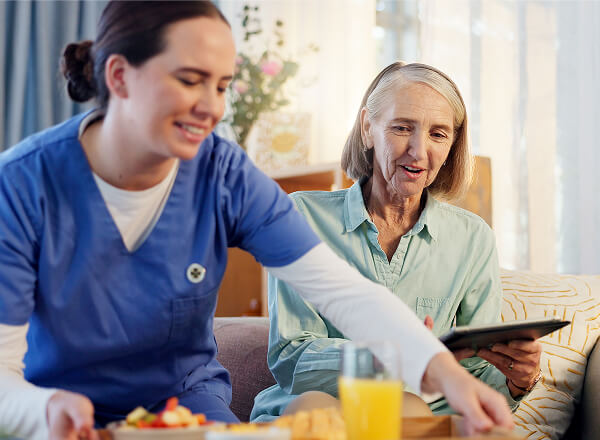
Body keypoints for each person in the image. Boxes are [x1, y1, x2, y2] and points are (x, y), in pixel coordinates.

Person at [0, 3, 514, 439]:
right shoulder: (21, 186)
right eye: (190, 80)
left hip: (186, 410)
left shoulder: (223, 174)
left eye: (222, 86)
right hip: (56, 409)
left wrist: (448, 375)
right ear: (119, 76)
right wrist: (42, 411)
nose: (212, 108)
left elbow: (342, 291)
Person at [251, 62, 542, 422]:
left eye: (438, 134)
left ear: (452, 144)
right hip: (315, 409)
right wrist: (398, 356)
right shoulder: (302, 216)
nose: (418, 151)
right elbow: (292, 356)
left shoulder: (472, 239)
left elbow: (476, 375)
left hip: (416, 416)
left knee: (410, 410)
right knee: (315, 410)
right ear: (367, 128)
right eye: (402, 128)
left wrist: (516, 382)